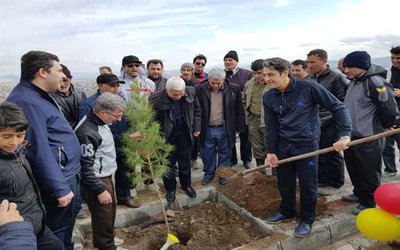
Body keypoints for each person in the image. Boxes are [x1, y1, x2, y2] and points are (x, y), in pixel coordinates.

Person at [263, 57, 351, 238]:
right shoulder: (269, 96)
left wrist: (344, 134)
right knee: (284, 181)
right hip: (282, 146)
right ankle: (287, 211)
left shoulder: (308, 88)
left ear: (285, 73)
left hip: (306, 144)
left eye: (271, 75)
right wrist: (271, 151)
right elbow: (271, 127)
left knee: (308, 183)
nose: (267, 79)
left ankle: (307, 219)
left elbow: (338, 107)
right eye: (265, 75)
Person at [7, 50, 82, 250]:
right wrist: (60, 187)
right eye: (58, 70)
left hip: (66, 173)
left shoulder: (38, 96)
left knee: (66, 228)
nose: (63, 75)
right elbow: (36, 148)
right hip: (59, 179)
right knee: (56, 231)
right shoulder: (27, 101)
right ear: (42, 72)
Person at [0, 101, 64, 249]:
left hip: (37, 226)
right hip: (15, 233)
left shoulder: (17, 153)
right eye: (7, 136)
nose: (14, 142)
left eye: (20, 135)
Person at [342, 51, 398, 215]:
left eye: (350, 67)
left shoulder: (375, 82)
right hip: (352, 135)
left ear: (361, 66)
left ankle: (369, 202)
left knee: (369, 171)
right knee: (353, 167)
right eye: (345, 67)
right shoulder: (354, 82)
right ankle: (359, 193)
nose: (346, 70)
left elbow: (388, 109)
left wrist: (386, 127)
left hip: (369, 136)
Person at [79, 74, 141, 208]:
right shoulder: (90, 104)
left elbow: (128, 119)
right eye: (112, 85)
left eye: (118, 85)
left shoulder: (120, 100)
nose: (116, 88)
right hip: (103, 146)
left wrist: (132, 135)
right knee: (104, 176)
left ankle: (124, 197)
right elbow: (90, 131)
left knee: (125, 170)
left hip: (123, 142)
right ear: (100, 86)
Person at [75, 93, 126, 250]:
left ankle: (107, 239)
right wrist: (99, 189)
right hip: (98, 180)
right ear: (103, 112)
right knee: (103, 215)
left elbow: (104, 145)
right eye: (116, 116)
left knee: (109, 212)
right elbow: (85, 167)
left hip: (106, 176)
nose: (118, 119)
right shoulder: (87, 132)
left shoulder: (100, 122)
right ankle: (106, 246)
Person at [149, 77, 201, 202]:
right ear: (167, 91)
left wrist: (197, 127)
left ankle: (186, 185)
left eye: (180, 94)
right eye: (174, 94)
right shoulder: (155, 99)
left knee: (185, 161)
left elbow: (197, 112)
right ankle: (170, 189)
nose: (178, 97)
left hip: (184, 132)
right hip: (166, 135)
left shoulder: (191, 93)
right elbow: (151, 121)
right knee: (167, 163)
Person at [306, 49, 348, 195]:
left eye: (313, 62)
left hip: (331, 122)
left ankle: (336, 182)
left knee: (332, 152)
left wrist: (335, 121)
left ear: (324, 62)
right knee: (318, 151)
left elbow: (343, 102)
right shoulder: (309, 79)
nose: (309, 65)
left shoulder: (337, 78)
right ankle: (322, 179)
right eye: (307, 62)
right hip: (314, 121)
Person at [196, 68, 245, 185]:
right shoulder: (200, 89)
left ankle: (223, 174)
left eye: (219, 83)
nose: (216, 85)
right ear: (208, 79)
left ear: (223, 80)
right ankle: (209, 174)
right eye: (213, 83)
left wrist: (238, 127)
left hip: (225, 127)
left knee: (225, 152)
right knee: (207, 153)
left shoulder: (233, 89)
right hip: (207, 128)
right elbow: (196, 110)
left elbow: (239, 109)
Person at [223, 50, 253, 169]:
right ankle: (232, 159)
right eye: (225, 60)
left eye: (230, 60)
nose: (227, 62)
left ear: (237, 61)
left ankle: (247, 159)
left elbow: (249, 91)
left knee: (245, 135)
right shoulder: (222, 74)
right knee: (229, 135)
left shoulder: (247, 74)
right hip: (228, 111)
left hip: (244, 110)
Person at [243, 59, 270, 170]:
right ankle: (260, 170)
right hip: (253, 119)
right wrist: (247, 116)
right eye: (254, 73)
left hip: (268, 121)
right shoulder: (249, 83)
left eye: (259, 73)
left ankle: (275, 173)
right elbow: (244, 100)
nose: (257, 76)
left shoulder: (272, 84)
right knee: (257, 147)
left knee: (270, 146)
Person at [51, 64, 87, 129]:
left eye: (65, 80)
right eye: (59, 81)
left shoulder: (79, 93)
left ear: (70, 79)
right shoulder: (49, 97)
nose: (62, 84)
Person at [382, 46, 400, 177]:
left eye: (398, 58)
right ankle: (390, 170)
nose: (395, 61)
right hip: (390, 113)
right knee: (387, 145)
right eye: (393, 58)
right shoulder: (387, 73)